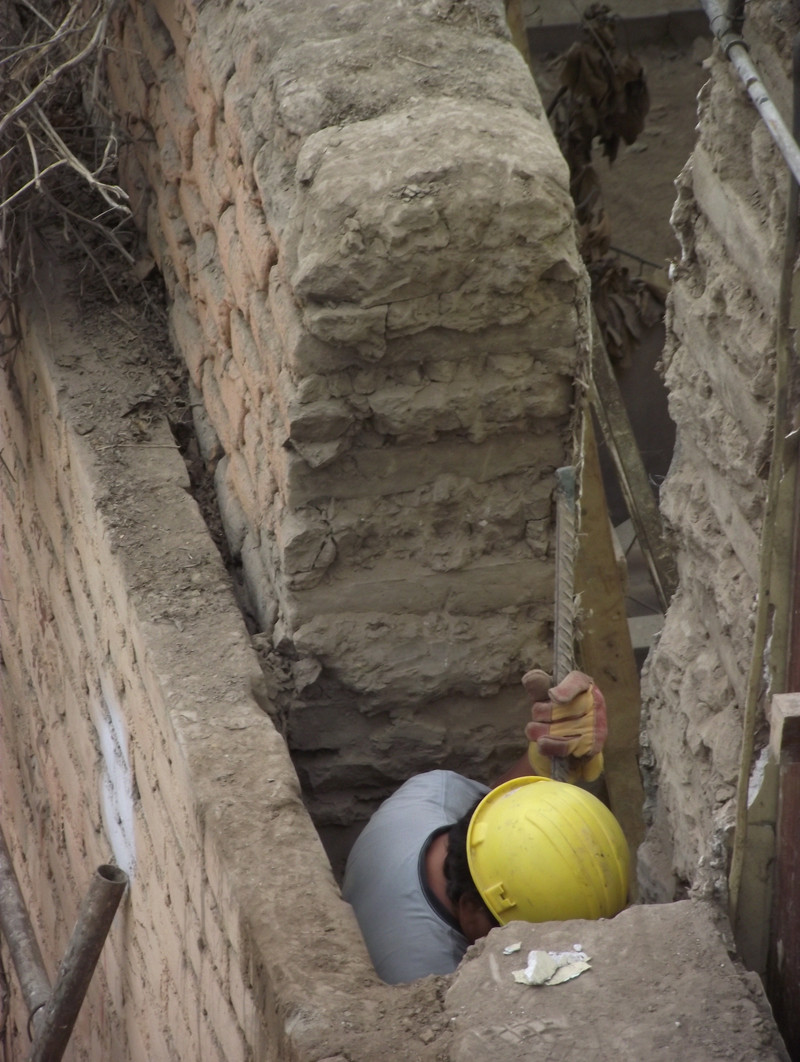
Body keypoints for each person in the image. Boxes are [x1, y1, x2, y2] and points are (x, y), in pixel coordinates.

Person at [341, 670, 629, 984]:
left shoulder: (433, 793)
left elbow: (498, 811)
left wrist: (545, 760)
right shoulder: (429, 976)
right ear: (470, 910)